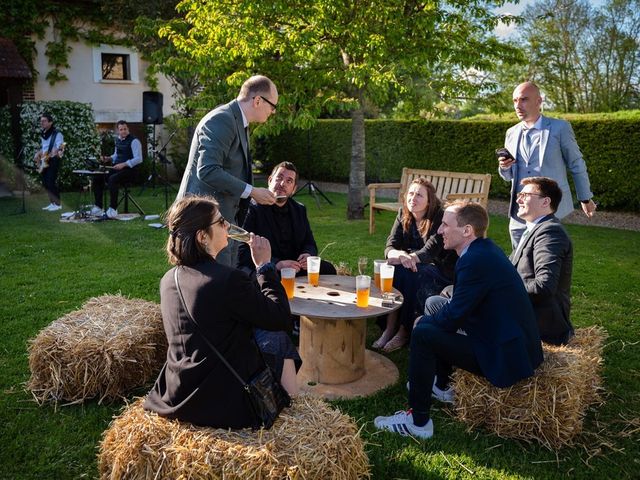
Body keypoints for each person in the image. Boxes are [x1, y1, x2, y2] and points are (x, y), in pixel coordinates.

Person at [374, 201, 543, 439]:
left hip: (504, 353)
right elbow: (462, 307)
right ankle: (442, 386)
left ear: (467, 231)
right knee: (434, 304)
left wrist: (422, 322)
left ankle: (418, 422)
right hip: (500, 333)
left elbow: (453, 319)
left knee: (423, 333)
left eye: (445, 225)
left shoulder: (474, 260)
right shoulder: (481, 250)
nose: (439, 230)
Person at [144, 195, 299, 429]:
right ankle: (293, 413)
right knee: (279, 337)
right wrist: (264, 267)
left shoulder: (168, 279)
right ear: (202, 236)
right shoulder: (228, 280)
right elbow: (281, 318)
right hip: (223, 403)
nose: (227, 226)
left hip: (176, 395)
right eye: (220, 222)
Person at [176, 75, 279, 267]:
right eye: (273, 106)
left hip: (222, 222)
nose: (273, 112)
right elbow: (207, 170)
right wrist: (252, 191)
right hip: (202, 223)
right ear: (257, 100)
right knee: (213, 288)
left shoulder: (238, 121)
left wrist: (253, 193)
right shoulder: (222, 119)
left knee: (227, 283)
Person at [498, 81, 597, 249]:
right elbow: (508, 177)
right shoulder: (511, 133)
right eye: (515, 100)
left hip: (549, 209)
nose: (517, 105)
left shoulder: (560, 128)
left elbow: (576, 163)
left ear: (539, 101)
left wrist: (585, 197)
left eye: (523, 99)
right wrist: (505, 167)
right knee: (517, 260)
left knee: (546, 258)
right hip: (519, 211)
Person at [372, 178, 457, 353]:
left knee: (410, 273)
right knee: (393, 269)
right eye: (411, 193)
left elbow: (430, 251)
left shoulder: (439, 217)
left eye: (419, 195)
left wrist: (407, 258)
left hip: (441, 269)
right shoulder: (404, 213)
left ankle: (404, 330)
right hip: (413, 264)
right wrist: (398, 255)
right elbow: (390, 245)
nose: (413, 198)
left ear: (429, 200)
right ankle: (390, 327)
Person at [237, 161, 336, 277]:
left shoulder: (299, 209)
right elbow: (243, 251)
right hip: (266, 267)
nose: (283, 183)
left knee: (328, 269)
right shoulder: (252, 208)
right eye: (279, 178)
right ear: (270, 180)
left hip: (294, 266)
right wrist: (277, 264)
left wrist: (307, 254)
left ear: (294, 189)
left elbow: (309, 243)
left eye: (289, 181)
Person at [510, 176, 574, 345]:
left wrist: (502, 288)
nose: (518, 199)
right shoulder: (534, 229)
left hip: (540, 323)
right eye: (519, 194)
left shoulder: (550, 232)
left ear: (545, 202)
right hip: (524, 311)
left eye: (525, 195)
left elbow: (544, 286)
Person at [92, 120, 142, 218]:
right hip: (118, 169)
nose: (123, 131)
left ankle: (113, 209)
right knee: (97, 177)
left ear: (128, 129)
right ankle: (98, 206)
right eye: (121, 129)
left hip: (130, 171)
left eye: (125, 129)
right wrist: (109, 158)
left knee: (112, 179)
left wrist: (124, 164)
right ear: (118, 131)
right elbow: (116, 155)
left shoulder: (134, 141)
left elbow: (139, 158)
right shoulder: (117, 140)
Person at [34, 113, 64, 211]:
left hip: (53, 160)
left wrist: (57, 151)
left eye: (44, 121)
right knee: (46, 182)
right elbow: (45, 148)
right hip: (44, 160)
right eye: (41, 121)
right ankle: (52, 203)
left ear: (50, 122)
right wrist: (38, 153)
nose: (41, 122)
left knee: (51, 182)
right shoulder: (44, 133)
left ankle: (58, 204)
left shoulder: (57, 134)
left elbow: (61, 147)